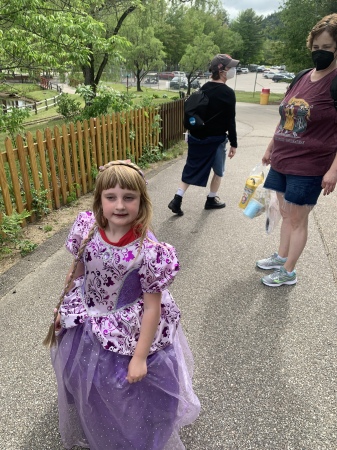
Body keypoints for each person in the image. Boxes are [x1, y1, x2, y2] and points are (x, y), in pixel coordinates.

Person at [43, 160, 200, 450]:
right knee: (88, 379)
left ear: (141, 202)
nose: (119, 205)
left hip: (127, 327)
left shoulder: (149, 252)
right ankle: (96, 417)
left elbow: (153, 308)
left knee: (124, 389)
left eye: (129, 197)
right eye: (110, 197)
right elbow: (76, 273)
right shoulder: (87, 230)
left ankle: (133, 433)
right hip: (87, 316)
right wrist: (62, 308)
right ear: (99, 200)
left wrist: (139, 357)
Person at [256, 14, 337, 287]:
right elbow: (285, 117)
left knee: (298, 219)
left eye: (326, 48)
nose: (319, 53)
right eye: (316, 48)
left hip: (310, 166)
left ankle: (289, 271)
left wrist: (333, 171)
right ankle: (281, 257)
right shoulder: (303, 76)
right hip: (282, 160)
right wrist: (270, 147)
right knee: (286, 213)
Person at [168, 53, 239, 216]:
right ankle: (211, 199)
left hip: (196, 138)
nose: (233, 70)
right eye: (230, 67)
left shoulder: (203, 89)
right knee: (219, 171)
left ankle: (177, 198)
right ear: (222, 71)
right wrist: (234, 143)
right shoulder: (228, 93)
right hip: (216, 141)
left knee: (191, 167)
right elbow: (230, 121)